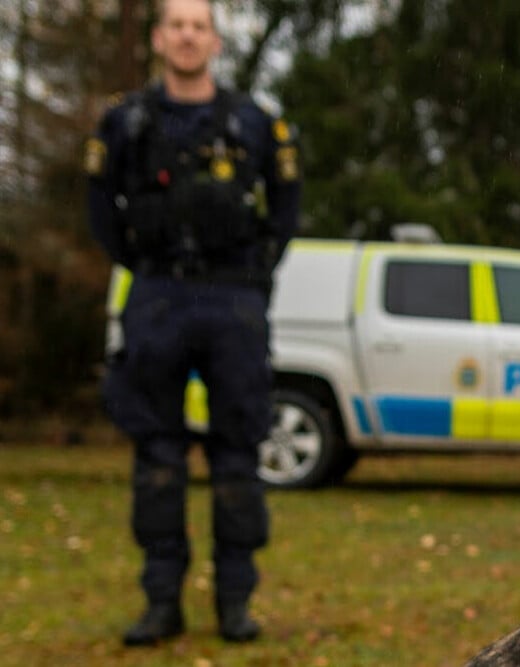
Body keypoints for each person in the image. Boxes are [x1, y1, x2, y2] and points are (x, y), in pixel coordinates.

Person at [85, 0, 300, 646]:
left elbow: (285, 207)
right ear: (159, 38)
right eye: (176, 25)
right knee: (157, 455)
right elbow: (101, 212)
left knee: (237, 454)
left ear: (214, 40)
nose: (186, 36)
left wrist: (252, 275)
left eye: (198, 26)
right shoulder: (124, 122)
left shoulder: (256, 123)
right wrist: (146, 268)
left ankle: (236, 603)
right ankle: (160, 602)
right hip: (157, 297)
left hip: (233, 301)